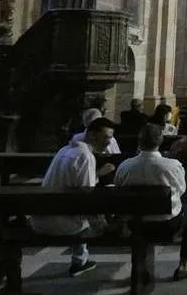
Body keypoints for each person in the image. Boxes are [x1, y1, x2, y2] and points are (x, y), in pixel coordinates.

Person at [114, 125, 187, 281]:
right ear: (160, 141)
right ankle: (184, 264)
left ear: (139, 142)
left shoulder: (125, 166)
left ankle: (140, 269)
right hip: (166, 223)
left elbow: (118, 189)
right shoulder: (172, 165)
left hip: (135, 223)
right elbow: (181, 190)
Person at [31, 117, 117, 277]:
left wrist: (98, 174)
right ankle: (79, 262)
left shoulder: (65, 150)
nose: (108, 142)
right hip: (61, 223)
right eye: (105, 137)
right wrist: (102, 221)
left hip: (40, 217)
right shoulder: (86, 156)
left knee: (79, 211)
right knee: (100, 222)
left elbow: (75, 184)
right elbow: (87, 194)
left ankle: (80, 261)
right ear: (92, 134)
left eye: (110, 138)